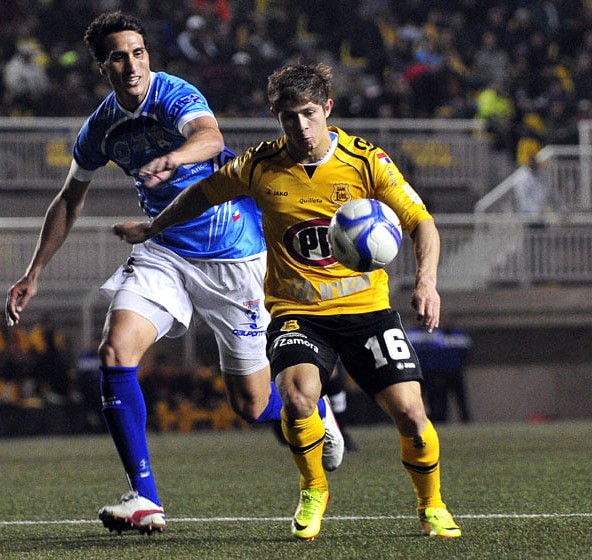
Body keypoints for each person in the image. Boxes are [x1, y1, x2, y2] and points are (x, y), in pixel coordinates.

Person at [4, 12, 342, 536]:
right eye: (120, 55)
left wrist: (172, 159)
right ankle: (145, 497)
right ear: (104, 67)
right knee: (115, 350)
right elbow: (69, 199)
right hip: (164, 250)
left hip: (233, 253)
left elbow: (210, 139)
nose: (133, 64)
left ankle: (313, 403)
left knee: (251, 405)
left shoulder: (173, 93)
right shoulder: (100, 128)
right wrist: (34, 272)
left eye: (138, 52)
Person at [114, 62, 462, 540]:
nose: (300, 126)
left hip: (367, 311)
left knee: (411, 414)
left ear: (327, 110)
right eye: (288, 117)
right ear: (276, 117)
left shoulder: (366, 161)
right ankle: (314, 488)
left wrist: (426, 281)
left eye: (308, 114)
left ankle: (432, 504)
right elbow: (202, 195)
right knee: (298, 401)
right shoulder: (260, 166)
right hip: (299, 313)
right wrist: (152, 228)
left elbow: (422, 223)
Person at [407, 323, 472, 423]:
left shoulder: (452, 334)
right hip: (422, 372)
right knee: (426, 398)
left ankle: (464, 420)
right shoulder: (415, 334)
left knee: (458, 398)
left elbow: (465, 350)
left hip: (450, 371)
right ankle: (429, 419)